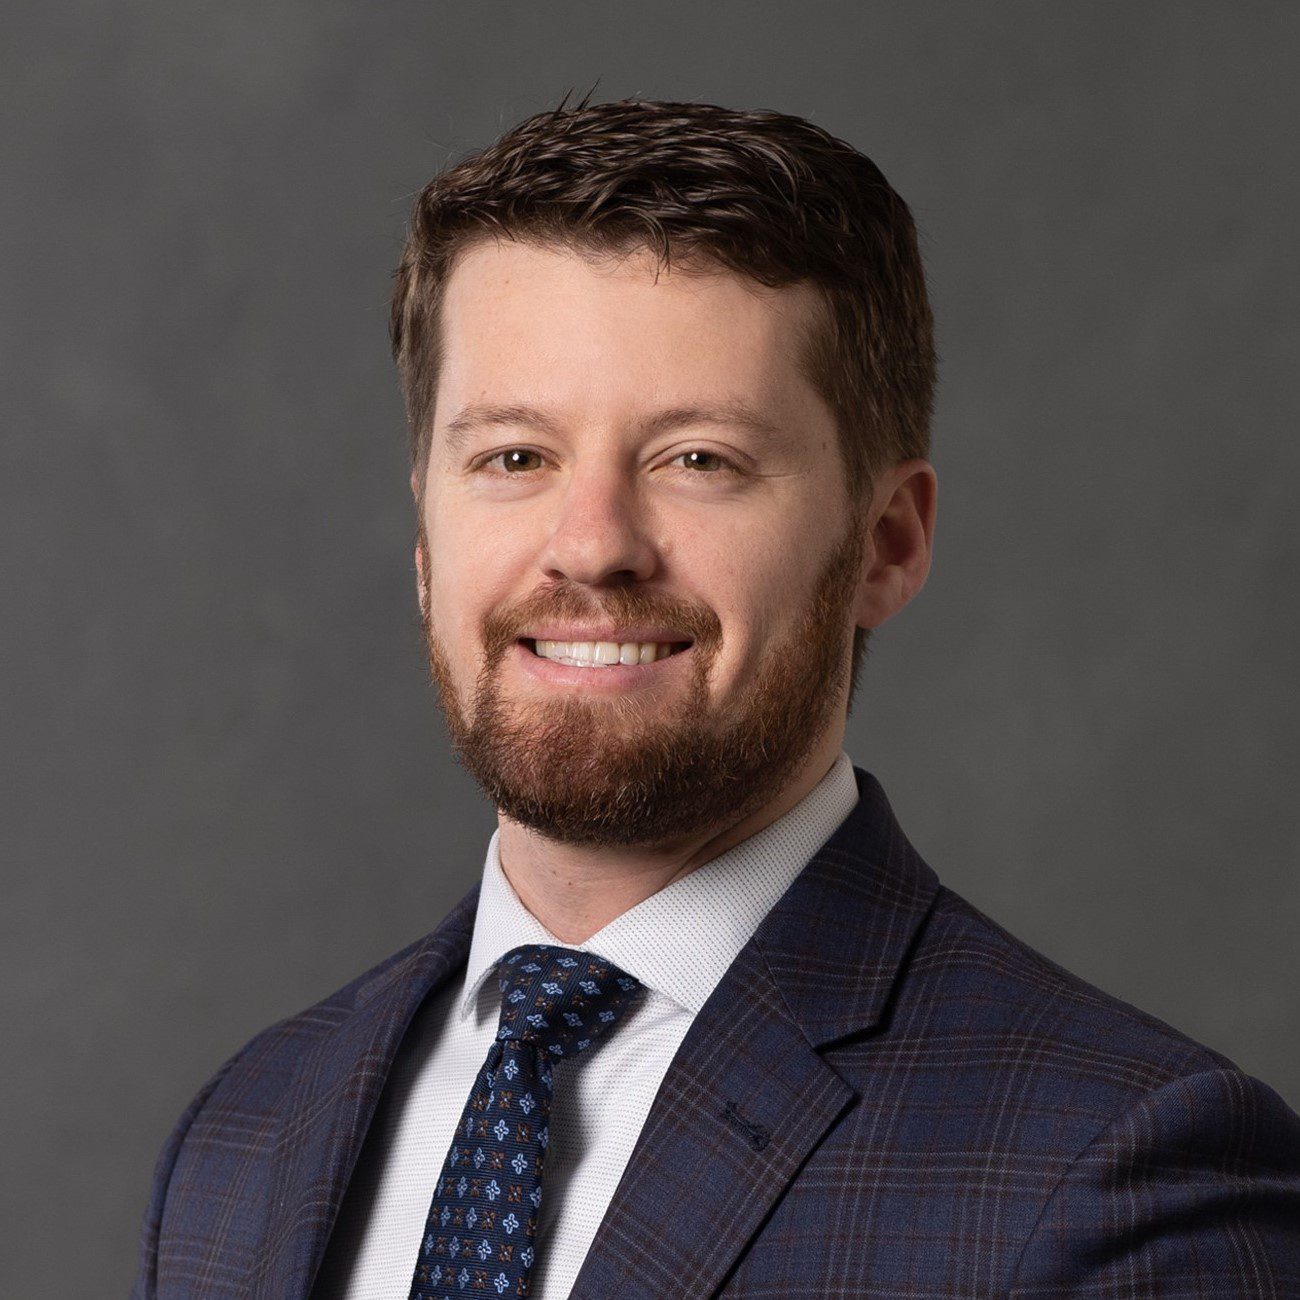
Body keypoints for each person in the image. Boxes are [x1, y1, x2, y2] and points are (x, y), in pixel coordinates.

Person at [132, 96, 1300, 1300]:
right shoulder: (248, 1135)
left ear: (886, 544)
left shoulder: (1121, 1175)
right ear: (426, 538)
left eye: (699, 459)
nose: (590, 548)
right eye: (514, 458)